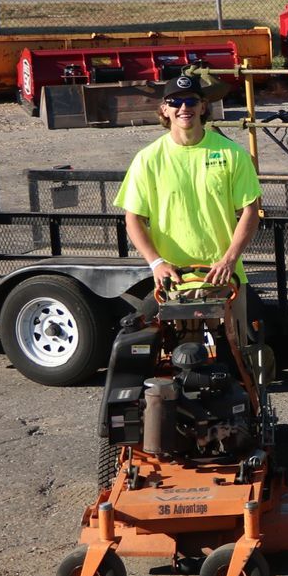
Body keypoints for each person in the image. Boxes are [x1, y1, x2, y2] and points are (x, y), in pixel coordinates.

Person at [117, 71, 264, 369]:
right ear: (165, 110)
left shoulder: (231, 154)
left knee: (240, 362)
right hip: (173, 282)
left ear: (203, 107)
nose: (184, 108)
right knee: (160, 361)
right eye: (176, 102)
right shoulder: (149, 159)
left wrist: (228, 260)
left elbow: (250, 210)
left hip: (224, 278)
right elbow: (133, 218)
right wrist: (156, 263)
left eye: (191, 101)